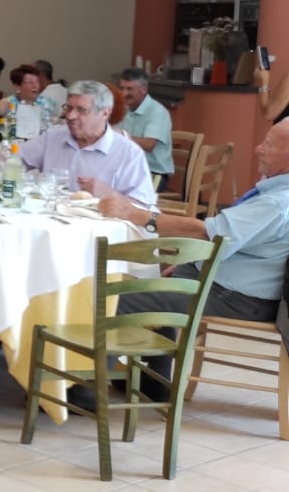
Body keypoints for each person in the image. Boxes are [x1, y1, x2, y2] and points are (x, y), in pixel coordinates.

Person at [93, 119, 289, 402]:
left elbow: (210, 233)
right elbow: (239, 242)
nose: (258, 149)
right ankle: (154, 381)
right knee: (160, 280)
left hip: (238, 298)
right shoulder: (277, 194)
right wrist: (193, 265)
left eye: (269, 144)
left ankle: (85, 390)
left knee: (114, 298)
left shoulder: (277, 202)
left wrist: (135, 213)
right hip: (242, 290)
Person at [19, 80, 156, 206]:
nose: (70, 116)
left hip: (99, 228)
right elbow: (14, 159)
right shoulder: (53, 137)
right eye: (69, 108)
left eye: (81, 110)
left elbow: (143, 208)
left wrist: (108, 194)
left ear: (104, 113)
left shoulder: (128, 153)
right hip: (49, 220)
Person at [118, 68, 174, 191]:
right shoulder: (123, 109)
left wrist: (120, 135)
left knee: (126, 199)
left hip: (153, 173)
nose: (123, 94)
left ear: (143, 90)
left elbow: (149, 145)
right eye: (121, 88)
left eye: (129, 89)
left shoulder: (157, 112)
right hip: (127, 170)